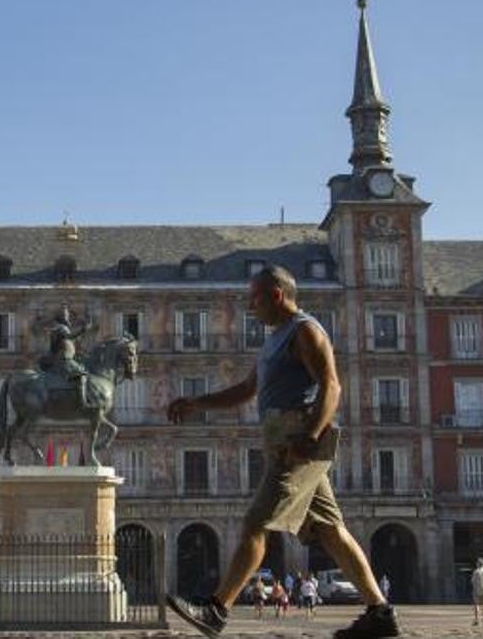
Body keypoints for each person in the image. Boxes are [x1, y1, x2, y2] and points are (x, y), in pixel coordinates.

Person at [164, 266, 399, 639]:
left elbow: (331, 387)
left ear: (276, 295)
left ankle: (216, 610)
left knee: (256, 522)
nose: (250, 305)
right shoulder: (272, 341)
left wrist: (310, 434)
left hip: (297, 442)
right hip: (283, 439)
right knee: (330, 529)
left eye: (254, 297)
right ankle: (379, 613)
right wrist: (196, 401)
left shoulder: (305, 330)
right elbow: (245, 390)